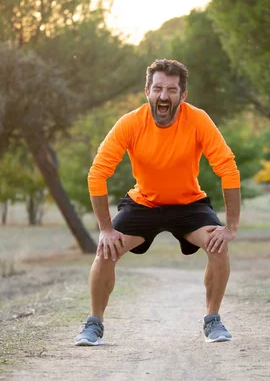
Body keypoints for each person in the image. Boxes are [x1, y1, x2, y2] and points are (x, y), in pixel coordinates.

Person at [75, 59, 241, 346]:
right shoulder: (130, 123)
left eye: (172, 90)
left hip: (189, 204)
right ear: (147, 91)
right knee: (106, 251)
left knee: (218, 245)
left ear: (183, 95)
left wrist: (231, 227)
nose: (164, 96)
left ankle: (213, 320)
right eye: (158, 88)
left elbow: (228, 168)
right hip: (144, 204)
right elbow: (97, 173)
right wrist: (105, 229)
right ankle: (94, 323)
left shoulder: (197, 120)